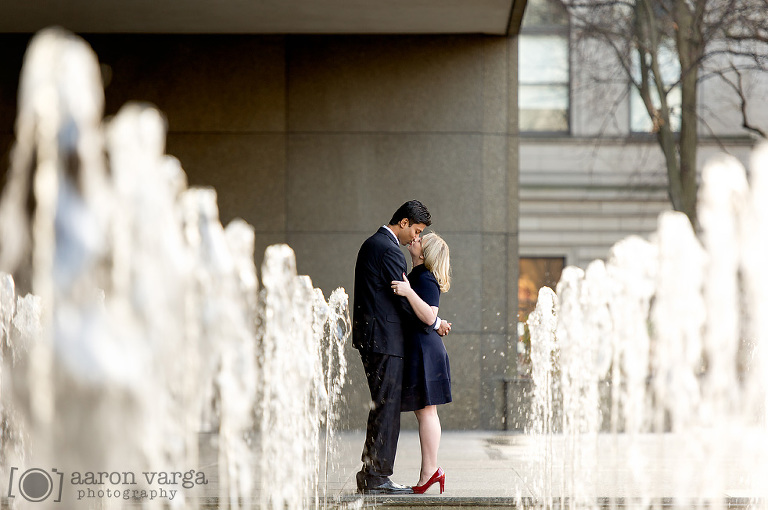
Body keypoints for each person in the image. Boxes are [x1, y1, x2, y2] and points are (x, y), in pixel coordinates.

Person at [353, 200, 451, 495]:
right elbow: (403, 301)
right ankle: (377, 477)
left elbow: (409, 300)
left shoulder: (375, 244)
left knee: (383, 406)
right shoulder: (389, 249)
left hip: (377, 338)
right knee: (387, 407)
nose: (415, 238)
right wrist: (435, 323)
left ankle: (373, 474)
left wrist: (432, 319)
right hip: (384, 340)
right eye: (416, 230)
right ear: (404, 222)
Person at [391, 232, 452, 495]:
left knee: (427, 412)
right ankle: (429, 471)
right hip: (421, 348)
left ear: (425, 253)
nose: (414, 240)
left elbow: (429, 315)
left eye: (419, 240)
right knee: (423, 412)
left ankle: (431, 471)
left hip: (426, 350)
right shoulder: (417, 276)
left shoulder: (426, 278)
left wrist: (407, 291)